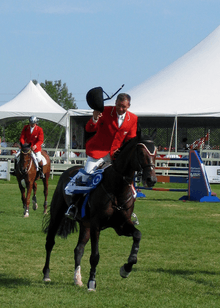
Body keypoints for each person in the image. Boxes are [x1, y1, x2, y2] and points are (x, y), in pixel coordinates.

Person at [65, 90, 138, 219]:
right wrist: (94, 118)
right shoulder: (104, 111)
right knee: (86, 175)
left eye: (124, 107)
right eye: (119, 106)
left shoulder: (133, 118)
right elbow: (89, 129)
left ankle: (127, 210)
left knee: (126, 181)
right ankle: (73, 205)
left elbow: (130, 139)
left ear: (129, 106)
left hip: (116, 156)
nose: (121, 109)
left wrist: (123, 151)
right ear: (115, 103)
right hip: (98, 152)